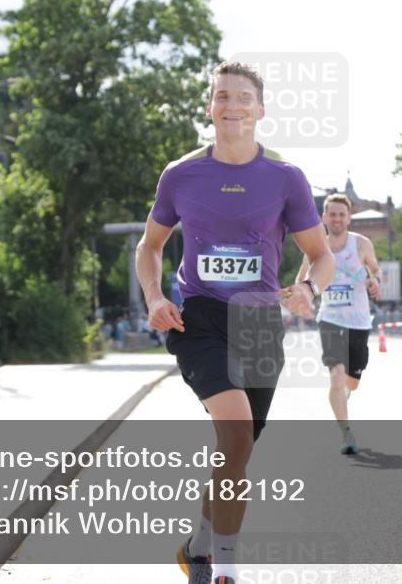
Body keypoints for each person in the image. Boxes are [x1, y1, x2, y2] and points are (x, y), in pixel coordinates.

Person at [137, 61, 334, 584]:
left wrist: (307, 289)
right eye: (223, 96)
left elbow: (319, 255)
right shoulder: (181, 174)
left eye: (243, 97)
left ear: (260, 110)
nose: (233, 105)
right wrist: (155, 296)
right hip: (198, 318)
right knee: (238, 435)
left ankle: (197, 548)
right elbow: (150, 246)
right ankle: (226, 570)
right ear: (210, 107)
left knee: (236, 450)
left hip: (259, 322)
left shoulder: (286, 178)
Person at [296, 193, 381, 455]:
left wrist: (374, 281)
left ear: (349, 218)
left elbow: (376, 271)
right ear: (324, 217)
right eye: (332, 214)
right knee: (335, 376)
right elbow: (301, 281)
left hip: (358, 320)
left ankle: (345, 395)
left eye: (341, 214)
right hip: (330, 320)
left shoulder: (362, 244)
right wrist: (300, 299)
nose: (337, 219)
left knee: (352, 381)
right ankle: (346, 433)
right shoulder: (316, 249)